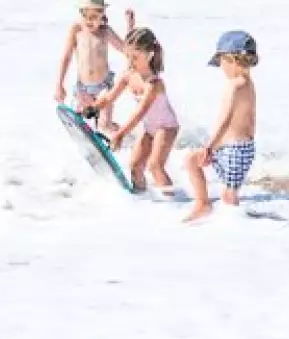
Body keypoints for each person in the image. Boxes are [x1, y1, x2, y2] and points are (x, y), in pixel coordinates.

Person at [86, 27, 180, 194]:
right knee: (135, 166)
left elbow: (139, 113)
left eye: (135, 57)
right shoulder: (128, 76)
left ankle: (172, 201)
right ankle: (142, 197)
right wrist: (93, 108)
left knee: (155, 166)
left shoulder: (154, 84)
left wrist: (120, 134)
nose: (130, 61)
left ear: (149, 55)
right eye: (128, 56)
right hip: (149, 128)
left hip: (166, 128)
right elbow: (109, 98)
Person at [183, 30, 258, 222]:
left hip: (236, 149)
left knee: (229, 195)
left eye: (222, 62)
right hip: (231, 147)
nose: (221, 68)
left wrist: (209, 147)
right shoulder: (246, 83)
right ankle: (203, 204)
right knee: (191, 160)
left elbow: (225, 119)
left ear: (231, 59)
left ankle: (235, 226)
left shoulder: (236, 86)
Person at [54, 0, 135, 133]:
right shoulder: (76, 30)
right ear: (81, 13)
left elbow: (126, 50)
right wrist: (59, 85)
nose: (89, 21)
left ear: (102, 15)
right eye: (86, 17)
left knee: (104, 125)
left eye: (94, 17)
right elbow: (66, 57)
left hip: (103, 86)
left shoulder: (105, 32)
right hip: (83, 89)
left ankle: (126, 135)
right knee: (79, 121)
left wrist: (130, 26)